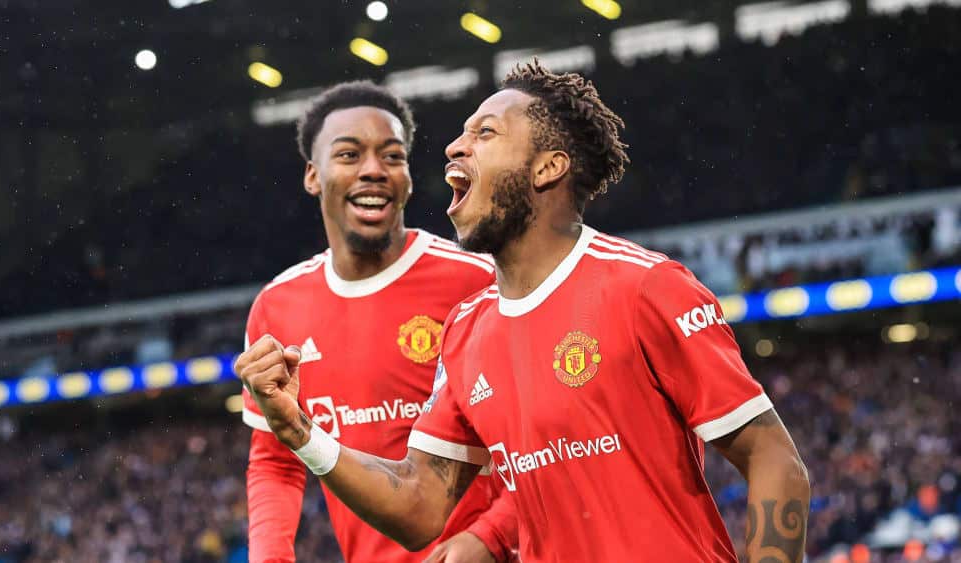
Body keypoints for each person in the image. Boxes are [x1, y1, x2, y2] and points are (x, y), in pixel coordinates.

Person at [237, 61, 811, 562]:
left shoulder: (645, 288)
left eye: (484, 133)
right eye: (461, 135)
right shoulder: (467, 330)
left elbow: (773, 459)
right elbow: (418, 507)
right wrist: (301, 432)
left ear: (547, 167)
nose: (454, 148)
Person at [240, 81, 516, 563]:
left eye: (392, 156)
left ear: (408, 177)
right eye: (349, 155)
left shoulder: (476, 280)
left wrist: (491, 534)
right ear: (313, 175)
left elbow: (547, 434)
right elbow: (276, 462)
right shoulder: (277, 307)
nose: (373, 170)